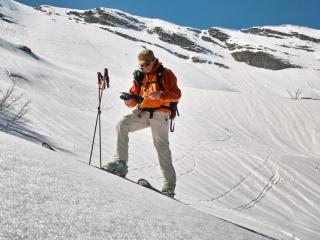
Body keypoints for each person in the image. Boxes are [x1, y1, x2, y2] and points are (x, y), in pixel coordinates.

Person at [103, 49, 181, 197]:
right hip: (143, 112)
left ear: (153, 61)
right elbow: (133, 102)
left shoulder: (166, 74)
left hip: (161, 112)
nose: (143, 67)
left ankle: (169, 186)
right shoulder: (139, 77)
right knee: (122, 124)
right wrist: (128, 99)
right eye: (141, 65)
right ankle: (120, 164)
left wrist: (162, 95)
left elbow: (177, 94)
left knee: (161, 146)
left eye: (145, 64)